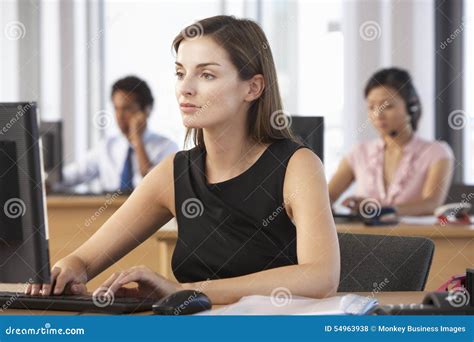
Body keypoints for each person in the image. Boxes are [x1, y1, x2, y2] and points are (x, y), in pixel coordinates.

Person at [28, 15, 340, 305]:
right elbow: (84, 260)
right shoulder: (174, 173)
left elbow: (321, 277)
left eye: (206, 74)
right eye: (180, 73)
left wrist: (187, 291)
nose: (185, 89)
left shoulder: (297, 166)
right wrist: (66, 269)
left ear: (252, 87)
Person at [329, 68, 454, 216]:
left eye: (387, 106)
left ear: (411, 107)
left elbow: (431, 204)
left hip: (414, 237)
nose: (377, 114)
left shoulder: (437, 152)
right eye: (371, 107)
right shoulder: (358, 152)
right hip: (365, 238)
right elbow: (326, 197)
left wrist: (381, 211)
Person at [53, 76, 179, 193]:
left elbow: (155, 184)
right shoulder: (107, 146)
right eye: (116, 108)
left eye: (126, 109)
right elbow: (72, 175)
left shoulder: (166, 147)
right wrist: (47, 180)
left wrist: (137, 140)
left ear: (146, 110)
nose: (119, 116)